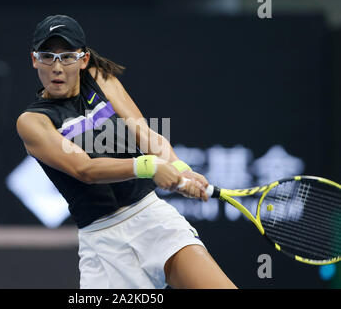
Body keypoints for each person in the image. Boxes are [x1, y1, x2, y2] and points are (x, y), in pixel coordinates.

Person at [17, 15, 236, 289]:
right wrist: (149, 167)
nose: (57, 67)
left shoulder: (99, 78)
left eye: (68, 56)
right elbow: (84, 170)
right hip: (103, 245)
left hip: (152, 219)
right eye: (47, 57)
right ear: (34, 60)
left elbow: (143, 133)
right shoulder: (32, 121)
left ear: (84, 60)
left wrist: (180, 169)